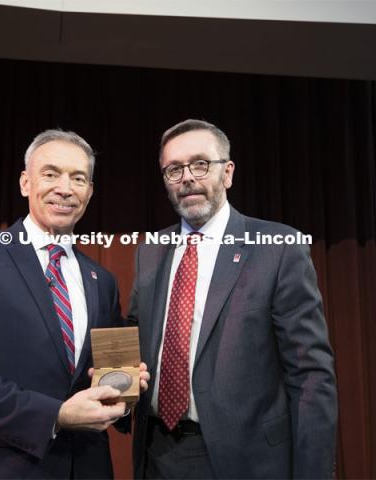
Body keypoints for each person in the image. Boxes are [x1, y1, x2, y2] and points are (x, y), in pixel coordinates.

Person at [0, 129, 149, 479]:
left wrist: (125, 388)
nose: (65, 188)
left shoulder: (101, 281)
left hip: (87, 467)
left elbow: (99, 379)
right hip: (1, 468)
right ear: (25, 183)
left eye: (78, 178)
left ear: (90, 192)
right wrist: (55, 415)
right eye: (50, 174)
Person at [128, 119, 337, 479]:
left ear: (228, 173)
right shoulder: (150, 249)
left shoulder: (278, 248)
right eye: (174, 169)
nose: (187, 178)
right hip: (157, 454)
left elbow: (310, 375)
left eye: (200, 164)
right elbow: (136, 337)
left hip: (247, 460)